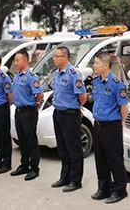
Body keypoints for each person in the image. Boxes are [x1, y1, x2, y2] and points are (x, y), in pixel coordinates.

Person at [90, 52, 130, 204]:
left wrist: (120, 123)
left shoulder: (116, 84)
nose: (94, 66)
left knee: (114, 159)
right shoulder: (96, 82)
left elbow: (124, 107)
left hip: (112, 126)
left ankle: (120, 190)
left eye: (97, 63)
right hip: (98, 125)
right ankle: (103, 188)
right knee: (100, 158)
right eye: (94, 63)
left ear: (106, 65)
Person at [50, 46, 87, 192]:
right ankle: (64, 177)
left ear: (65, 57)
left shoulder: (74, 74)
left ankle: (75, 180)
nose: (54, 59)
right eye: (54, 56)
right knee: (63, 148)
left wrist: (74, 107)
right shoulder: (56, 74)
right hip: (58, 112)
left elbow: (82, 97)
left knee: (74, 148)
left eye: (56, 56)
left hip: (70, 114)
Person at [11, 50, 44, 181]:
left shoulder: (31, 76)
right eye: (15, 60)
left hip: (29, 111)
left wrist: (32, 104)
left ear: (25, 60)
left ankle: (34, 168)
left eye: (18, 60)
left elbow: (39, 94)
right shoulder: (17, 76)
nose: (15, 62)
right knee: (22, 140)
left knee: (31, 140)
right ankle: (24, 165)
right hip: (18, 111)